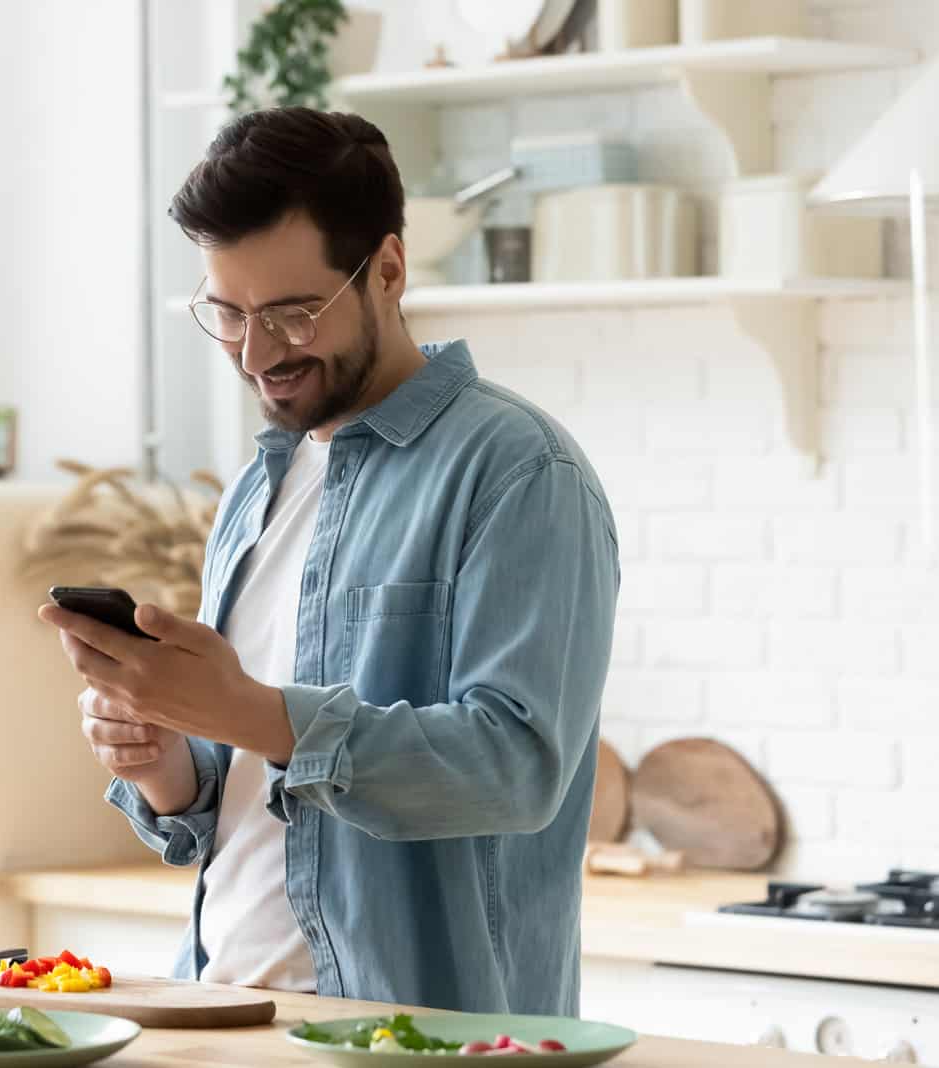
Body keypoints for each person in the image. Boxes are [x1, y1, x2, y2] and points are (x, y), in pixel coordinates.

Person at [37, 106, 619, 1016]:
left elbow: (517, 767)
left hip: (416, 1036)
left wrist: (255, 714)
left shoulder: (519, 472)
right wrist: (167, 762)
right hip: (227, 1014)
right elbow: (249, 800)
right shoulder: (259, 485)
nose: (257, 354)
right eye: (226, 313)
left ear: (387, 269)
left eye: (293, 313)